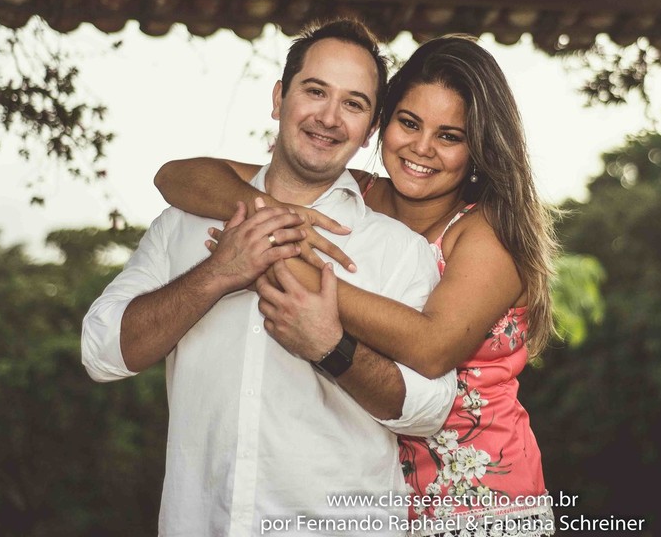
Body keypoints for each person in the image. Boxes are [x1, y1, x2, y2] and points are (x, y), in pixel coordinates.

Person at [156, 35, 560, 536]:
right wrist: (269, 216)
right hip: (379, 499)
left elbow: (431, 348)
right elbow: (178, 176)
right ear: (380, 126)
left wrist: (282, 265)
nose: (422, 148)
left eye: (450, 136)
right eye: (408, 123)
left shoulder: (487, 233)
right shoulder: (355, 198)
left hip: (479, 501)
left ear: (479, 148)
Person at [82, 19, 456, 537]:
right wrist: (216, 274)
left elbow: (429, 412)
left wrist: (332, 349)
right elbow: (101, 352)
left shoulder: (400, 251)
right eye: (315, 91)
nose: (328, 117)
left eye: (353, 103)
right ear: (279, 98)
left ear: (371, 127)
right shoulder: (185, 223)